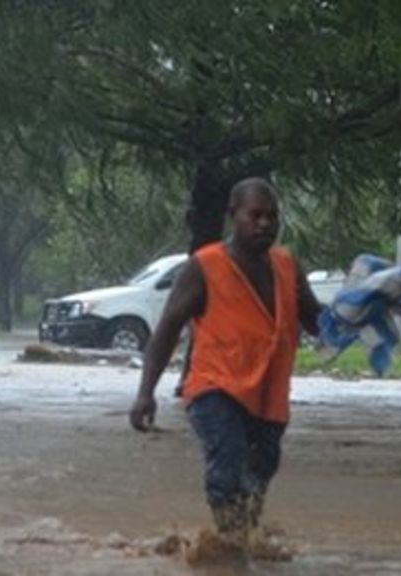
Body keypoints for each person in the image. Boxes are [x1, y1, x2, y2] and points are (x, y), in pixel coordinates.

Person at [129, 177, 322, 549]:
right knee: (228, 465)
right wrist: (144, 394)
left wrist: (365, 310)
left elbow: (316, 320)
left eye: (272, 216)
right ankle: (228, 551)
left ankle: (245, 539)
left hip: (269, 394)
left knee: (262, 469)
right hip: (215, 389)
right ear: (233, 216)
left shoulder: (286, 265)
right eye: (255, 215)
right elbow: (167, 329)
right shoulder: (205, 266)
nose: (264, 223)